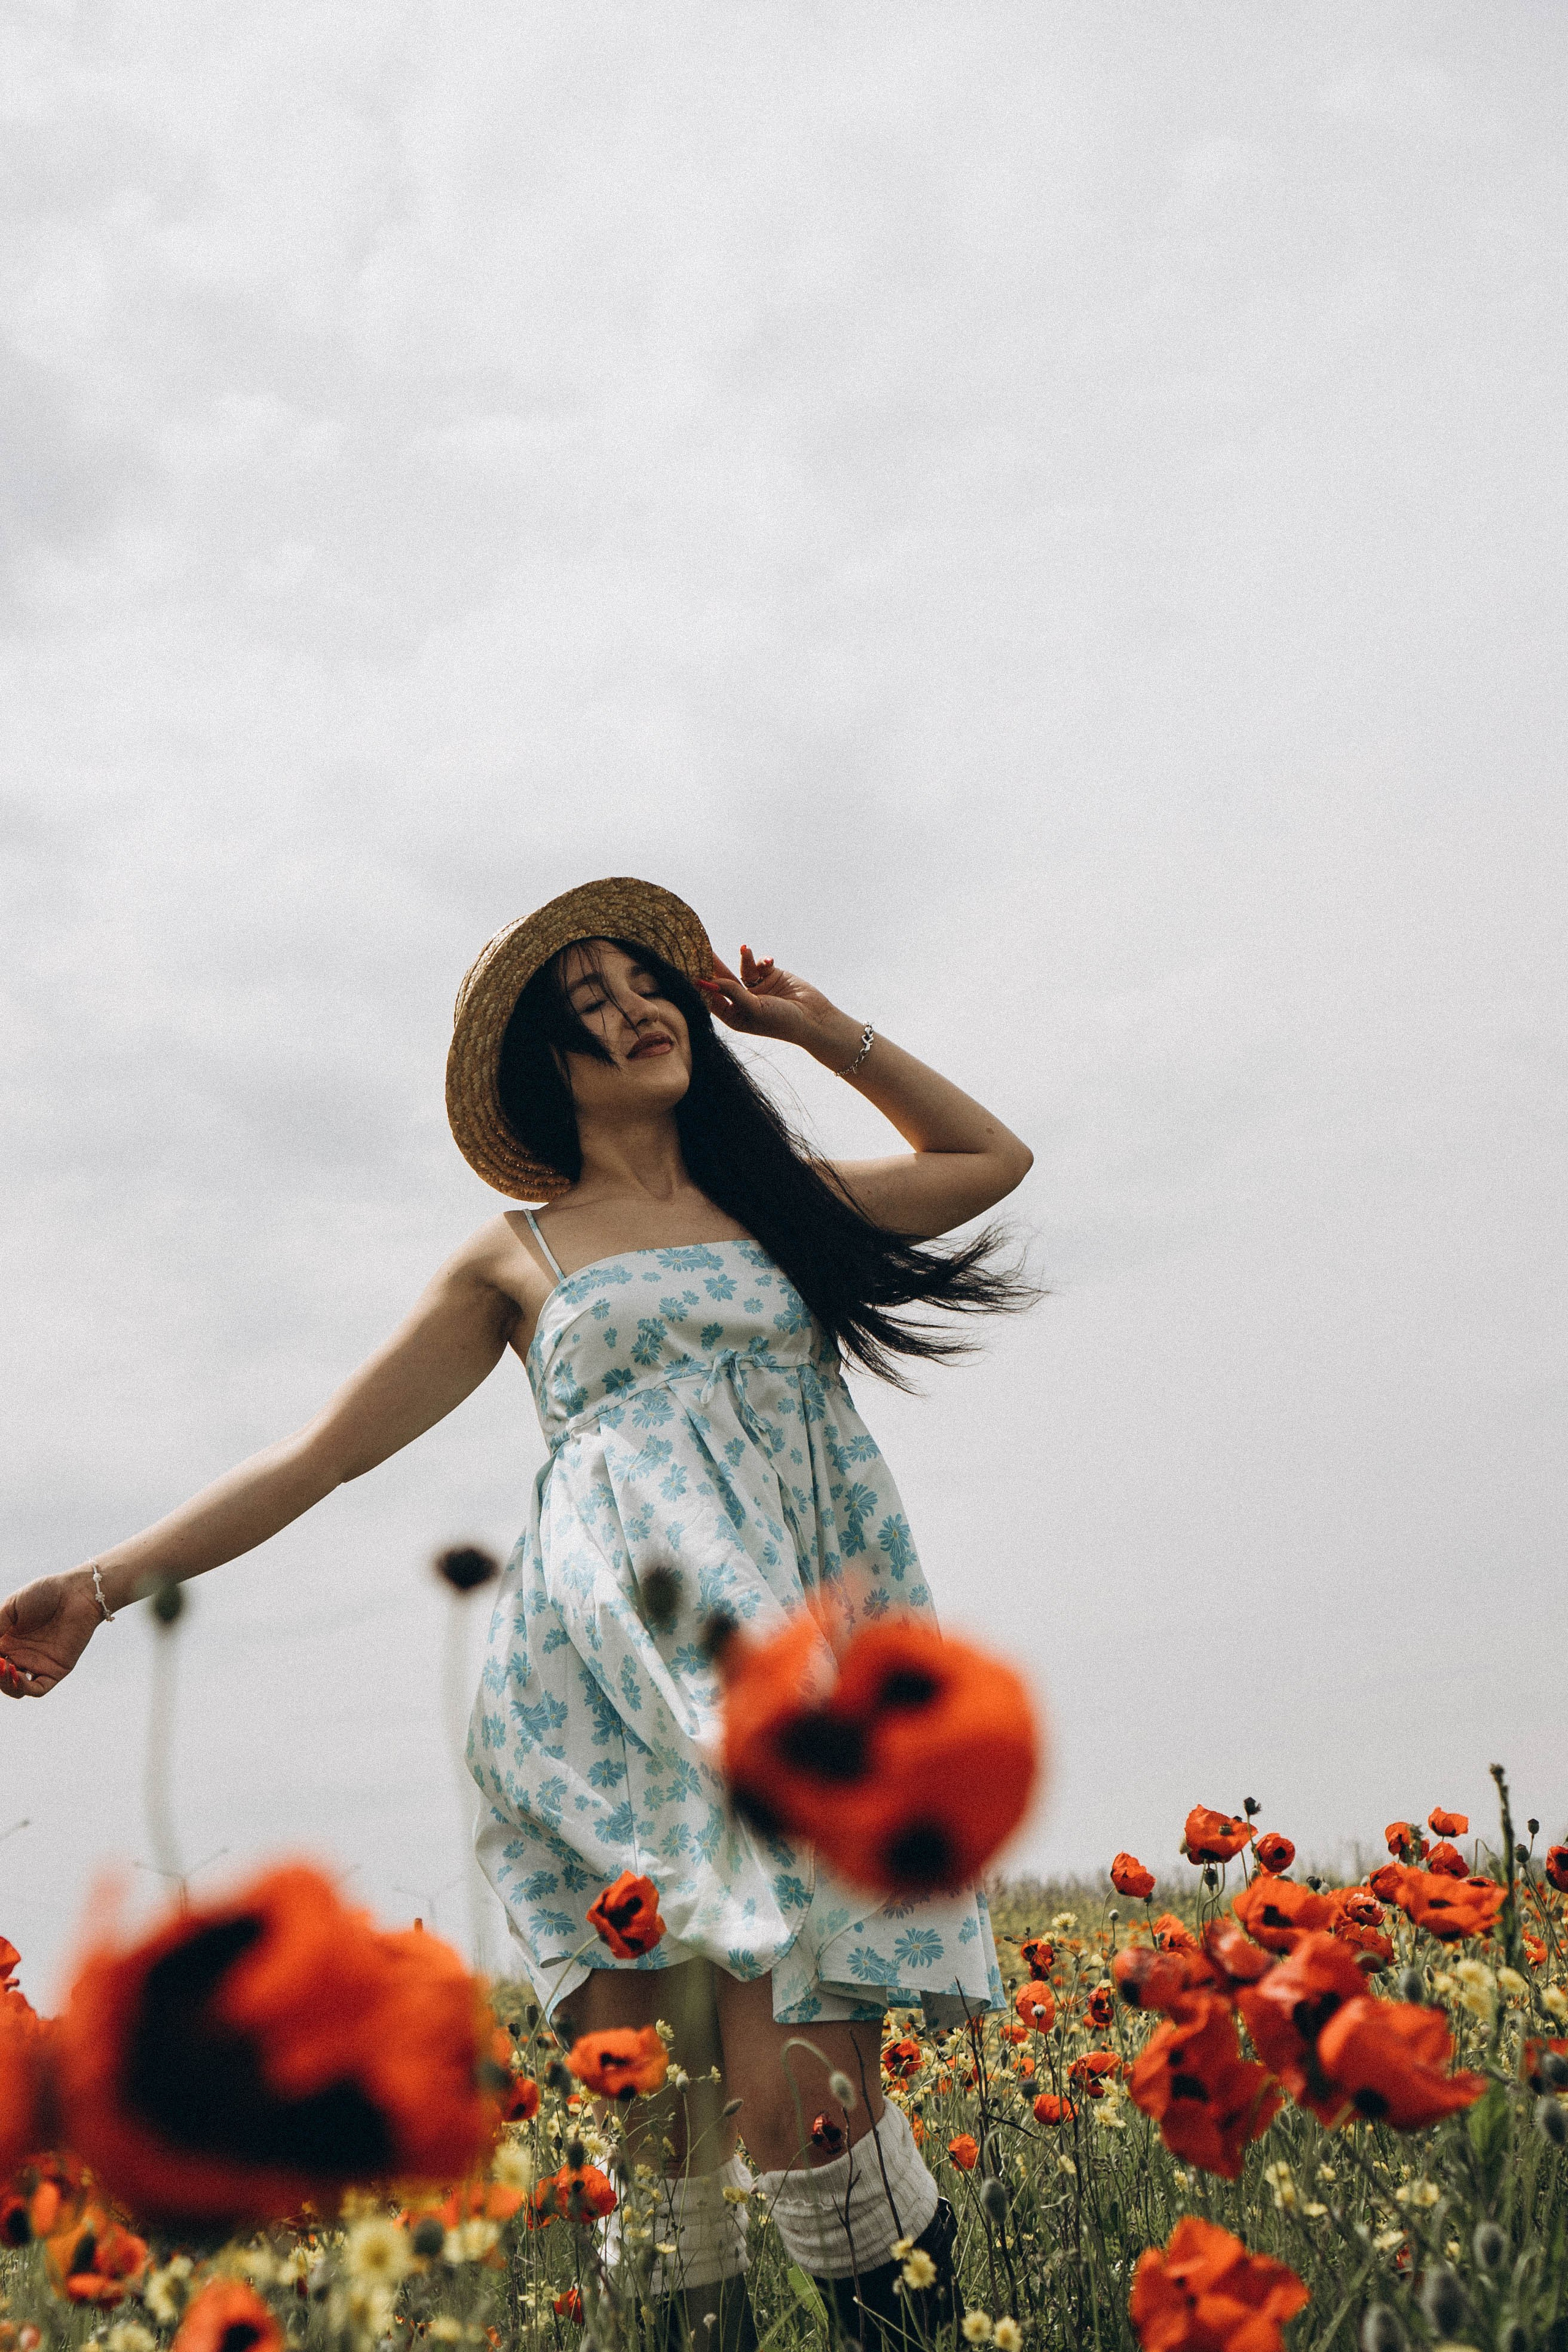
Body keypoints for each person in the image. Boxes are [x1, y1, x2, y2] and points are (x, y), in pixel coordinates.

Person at [1, 876, 1035, 2348]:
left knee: (803, 2119)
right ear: (538, 1074)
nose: (629, 1015)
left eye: (639, 986)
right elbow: (323, 1452)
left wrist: (814, 1030)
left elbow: (989, 1159)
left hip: (787, 1687)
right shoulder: (517, 1255)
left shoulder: (780, 1202)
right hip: (594, 1703)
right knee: (666, 2173)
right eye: (581, 1011)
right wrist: (98, 1587)